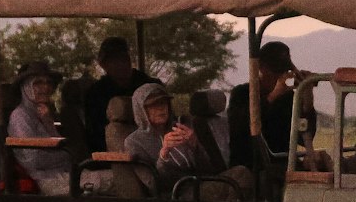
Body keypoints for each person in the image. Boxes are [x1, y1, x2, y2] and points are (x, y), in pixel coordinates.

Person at [122, 82, 209, 193]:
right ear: (141, 111)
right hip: (176, 195)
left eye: (164, 103)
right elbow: (154, 185)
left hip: (200, 185)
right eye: (154, 105)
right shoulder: (134, 142)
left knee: (237, 173)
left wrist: (195, 145)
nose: (161, 108)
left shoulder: (180, 128)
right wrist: (164, 155)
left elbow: (209, 171)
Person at [226, 41, 301, 169]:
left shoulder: (287, 98)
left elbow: (303, 137)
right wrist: (272, 97)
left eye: (282, 72)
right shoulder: (242, 93)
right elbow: (240, 126)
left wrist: (306, 99)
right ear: (261, 68)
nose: (279, 77)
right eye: (275, 71)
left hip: (282, 160)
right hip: (253, 163)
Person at [82, 35, 156, 155]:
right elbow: (95, 134)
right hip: (113, 154)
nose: (121, 63)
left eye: (124, 58)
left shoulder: (148, 85)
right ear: (104, 64)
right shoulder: (96, 94)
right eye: (114, 60)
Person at [6, 61, 73, 195]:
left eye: (48, 83)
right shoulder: (20, 116)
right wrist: (63, 156)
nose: (46, 87)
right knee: (110, 179)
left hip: (63, 175)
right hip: (45, 181)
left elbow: (63, 148)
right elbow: (33, 160)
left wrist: (48, 123)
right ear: (25, 87)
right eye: (38, 83)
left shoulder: (42, 113)